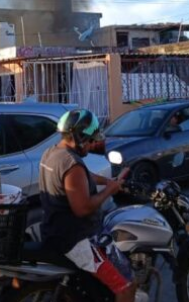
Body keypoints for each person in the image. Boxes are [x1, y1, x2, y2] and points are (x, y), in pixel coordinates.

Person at [39, 109, 137, 302]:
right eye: (90, 140)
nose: (92, 144)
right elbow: (82, 208)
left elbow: (82, 179)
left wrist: (108, 181)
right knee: (127, 286)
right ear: (79, 136)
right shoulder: (72, 163)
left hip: (54, 230)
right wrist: (110, 190)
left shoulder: (52, 153)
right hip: (77, 239)